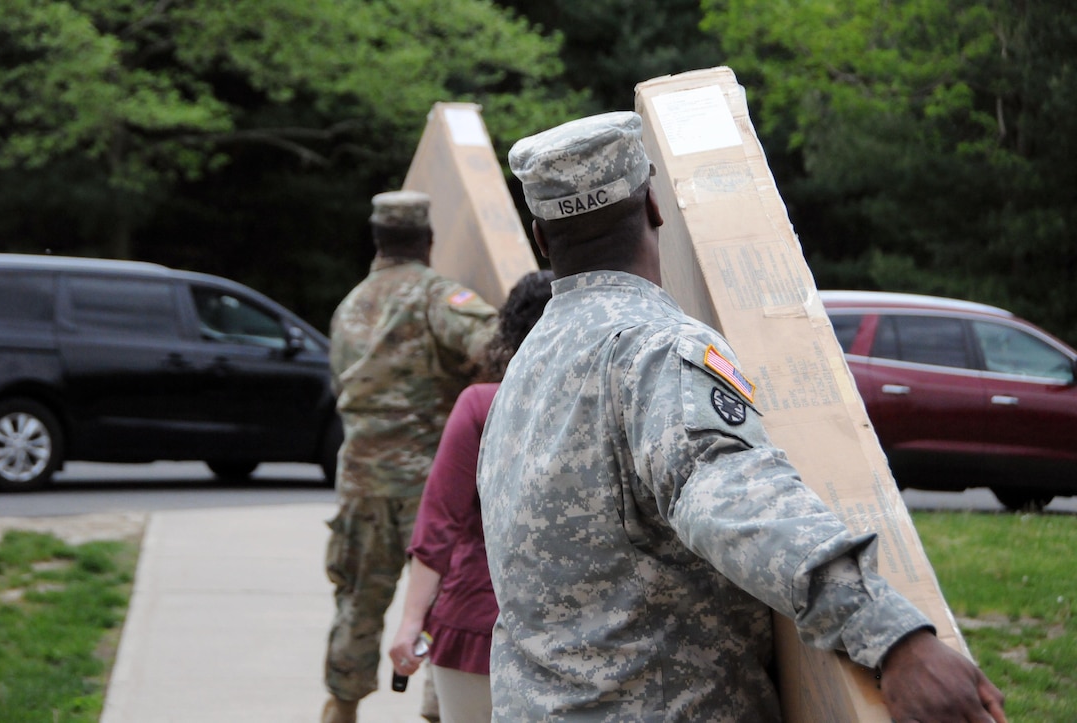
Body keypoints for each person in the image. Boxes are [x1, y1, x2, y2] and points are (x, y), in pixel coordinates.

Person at [476, 111, 1008, 722]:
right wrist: (893, 637)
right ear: (653, 204)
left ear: (542, 240)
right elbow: (727, 497)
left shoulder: (524, 368)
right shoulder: (656, 348)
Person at [323, 189, 498, 723]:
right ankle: (437, 710)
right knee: (440, 607)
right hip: (429, 487)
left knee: (357, 601)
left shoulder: (349, 305)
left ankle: (341, 706)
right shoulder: (436, 297)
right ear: (427, 240)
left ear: (377, 241)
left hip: (361, 481)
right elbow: (497, 345)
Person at [387, 269, 555, 723]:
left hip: (475, 621)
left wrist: (410, 621)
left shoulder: (482, 405)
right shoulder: (604, 403)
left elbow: (439, 522)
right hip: (574, 629)